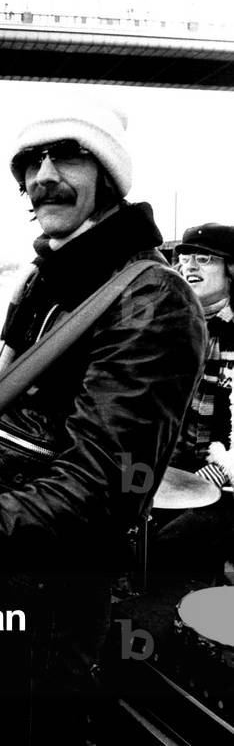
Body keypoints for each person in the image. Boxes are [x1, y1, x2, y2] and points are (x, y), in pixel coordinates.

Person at [0, 97, 205, 746]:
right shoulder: (46, 279)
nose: (42, 173)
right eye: (30, 161)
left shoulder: (154, 300)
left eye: (67, 155)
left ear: (108, 175)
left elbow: (95, 488)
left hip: (52, 589)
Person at [153, 223, 234, 582]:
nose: (189, 267)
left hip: (223, 485)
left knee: (168, 548)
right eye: (184, 258)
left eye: (204, 259)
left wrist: (196, 485)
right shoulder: (170, 327)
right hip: (169, 478)